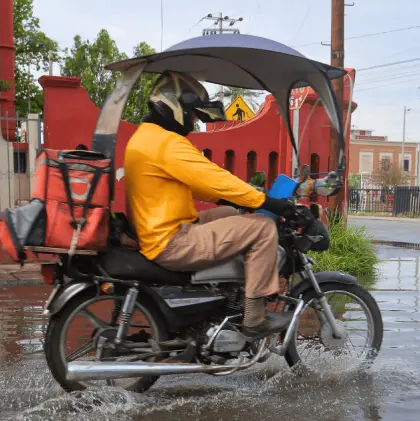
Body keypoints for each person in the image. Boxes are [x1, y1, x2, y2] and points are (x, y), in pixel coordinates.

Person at [124, 71, 298, 341]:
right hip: (171, 240)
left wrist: (231, 198)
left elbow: (198, 184)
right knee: (263, 229)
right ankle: (254, 318)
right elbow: (214, 178)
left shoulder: (146, 137)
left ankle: (228, 295)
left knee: (231, 213)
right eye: (192, 115)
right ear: (175, 108)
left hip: (161, 229)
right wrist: (268, 202)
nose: (193, 123)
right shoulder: (166, 143)